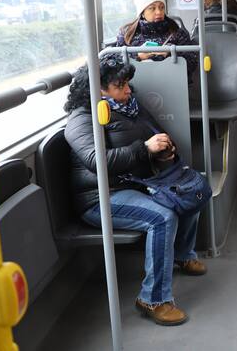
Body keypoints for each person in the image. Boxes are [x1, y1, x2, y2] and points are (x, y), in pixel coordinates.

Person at [64, 54, 206, 325]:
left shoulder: (130, 105)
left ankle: (182, 255)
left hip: (136, 183)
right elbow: (98, 162)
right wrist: (145, 149)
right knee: (162, 218)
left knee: (188, 192)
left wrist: (164, 150)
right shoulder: (82, 118)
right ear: (99, 88)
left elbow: (157, 132)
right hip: (102, 196)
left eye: (127, 83)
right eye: (120, 86)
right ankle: (152, 299)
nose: (128, 90)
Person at [116, 0, 198, 79]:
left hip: (173, 82)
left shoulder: (177, 32)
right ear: (142, 12)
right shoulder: (127, 34)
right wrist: (137, 55)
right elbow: (115, 64)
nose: (159, 12)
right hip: (136, 84)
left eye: (162, 7)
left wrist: (170, 54)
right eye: (152, 8)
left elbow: (192, 63)